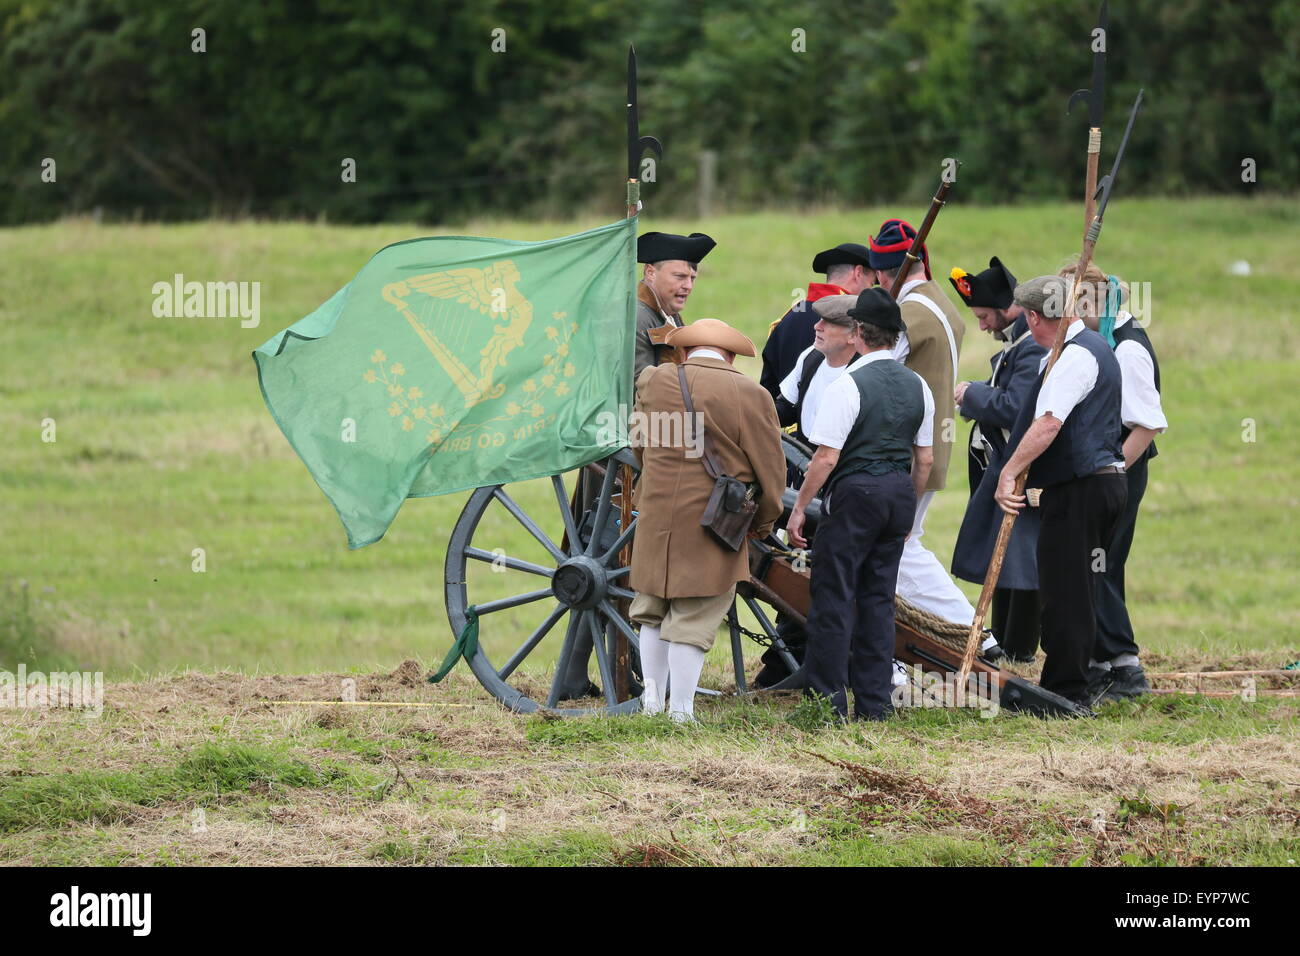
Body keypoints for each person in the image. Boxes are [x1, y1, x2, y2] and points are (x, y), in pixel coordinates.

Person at [786, 288, 935, 721]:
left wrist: (800, 508)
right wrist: (906, 507)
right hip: (897, 494)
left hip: (855, 494)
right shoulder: (918, 385)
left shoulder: (848, 383)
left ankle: (828, 703)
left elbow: (826, 458)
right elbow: (923, 459)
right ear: (894, 337)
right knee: (878, 600)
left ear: (858, 334)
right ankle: (875, 704)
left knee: (833, 597)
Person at [629, 319, 787, 721]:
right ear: (730, 356)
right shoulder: (751, 394)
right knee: (694, 614)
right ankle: (680, 712)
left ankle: (651, 703)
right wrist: (764, 523)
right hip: (714, 520)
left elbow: (639, 446)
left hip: (657, 511)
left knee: (651, 606)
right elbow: (771, 473)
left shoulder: (653, 380)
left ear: (684, 351)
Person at [866, 220, 1002, 656]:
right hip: (933, 441)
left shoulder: (906, 316)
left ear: (885, 273)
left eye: (879, 275)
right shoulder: (943, 302)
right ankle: (969, 636)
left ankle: (972, 634)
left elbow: (879, 376)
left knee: (901, 548)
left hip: (904, 450)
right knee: (904, 546)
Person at [995, 275, 1128, 711]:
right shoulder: (1086, 349)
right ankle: (1072, 680)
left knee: (1066, 592)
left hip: (1081, 488)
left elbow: (1049, 423)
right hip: (1095, 484)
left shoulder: (1074, 357)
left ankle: (1066, 692)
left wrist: (1010, 472)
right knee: (1074, 588)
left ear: (1034, 317)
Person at [1057, 263, 1167, 701]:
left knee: (1100, 565)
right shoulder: (1104, 339)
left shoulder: (1127, 349)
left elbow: (1147, 424)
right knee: (1096, 565)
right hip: (1106, 470)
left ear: (1090, 302)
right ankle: (1099, 661)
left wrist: (1112, 471)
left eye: (1068, 304)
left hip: (1120, 470)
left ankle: (1124, 667)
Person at [754, 294, 863, 688]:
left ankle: (813, 661)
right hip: (806, 474)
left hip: (843, 479)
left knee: (825, 574)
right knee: (797, 566)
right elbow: (781, 408)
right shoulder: (812, 359)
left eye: (827, 325)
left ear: (854, 335)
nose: (815, 328)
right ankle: (786, 659)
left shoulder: (862, 373)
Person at [948, 258, 1048, 662]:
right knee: (1004, 559)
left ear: (1009, 308)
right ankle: (1008, 641)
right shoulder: (1019, 343)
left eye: (985, 316)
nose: (983, 325)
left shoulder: (1029, 349)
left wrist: (971, 394)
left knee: (1020, 560)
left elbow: (1015, 408)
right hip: (1003, 464)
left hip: (1021, 466)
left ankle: (1020, 647)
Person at [760, 242, 874, 401]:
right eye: (872, 283)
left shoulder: (789, 317)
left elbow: (767, 390)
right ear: (858, 272)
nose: (870, 291)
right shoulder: (855, 321)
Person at [634, 231, 716, 379]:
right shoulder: (635, 318)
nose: (688, 286)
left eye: (692, 278)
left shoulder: (670, 315)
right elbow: (641, 386)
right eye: (680, 277)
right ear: (650, 272)